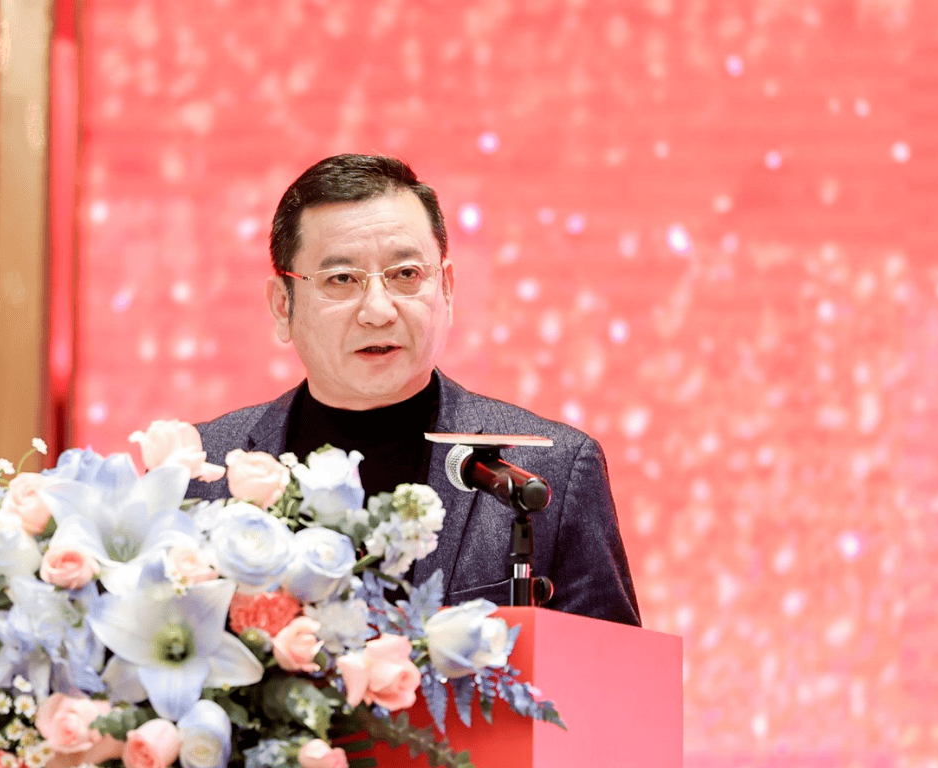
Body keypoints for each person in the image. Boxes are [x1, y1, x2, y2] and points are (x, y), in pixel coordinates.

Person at [188, 154, 640, 626]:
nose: (378, 311)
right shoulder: (204, 469)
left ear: (446, 288)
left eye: (406, 274)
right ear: (283, 305)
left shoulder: (550, 472)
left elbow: (610, 668)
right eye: (341, 279)